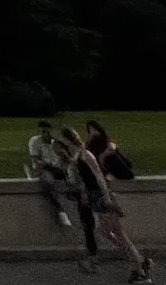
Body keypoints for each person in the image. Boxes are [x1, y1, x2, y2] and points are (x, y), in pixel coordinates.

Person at [59, 126, 152, 282]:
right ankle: (139, 261)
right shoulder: (78, 155)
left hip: (100, 197)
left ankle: (140, 268)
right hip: (95, 197)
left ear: (68, 141)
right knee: (106, 232)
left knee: (118, 234)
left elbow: (99, 176)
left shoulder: (86, 155)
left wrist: (107, 198)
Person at [25, 119, 73, 229]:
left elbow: (68, 158)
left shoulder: (56, 142)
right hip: (44, 168)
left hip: (58, 168)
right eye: (42, 132)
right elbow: (36, 159)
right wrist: (49, 164)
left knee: (72, 179)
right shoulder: (35, 141)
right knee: (48, 183)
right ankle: (60, 210)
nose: (45, 135)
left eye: (47, 132)